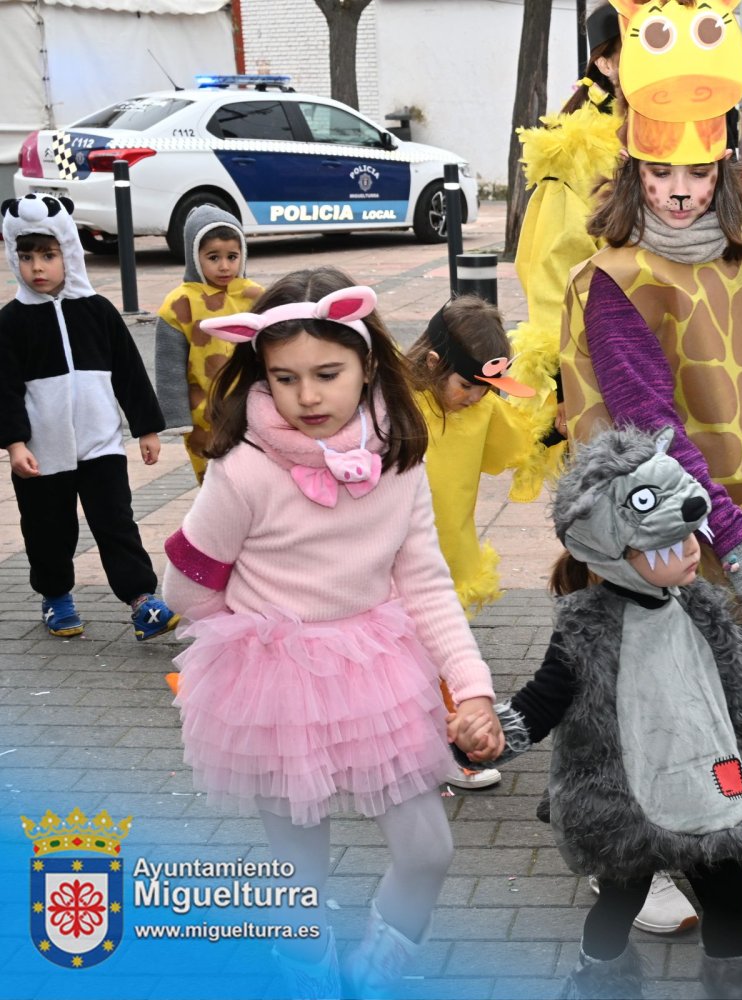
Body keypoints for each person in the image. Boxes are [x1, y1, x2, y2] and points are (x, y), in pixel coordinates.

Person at [162, 269, 502, 997]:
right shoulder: (243, 469)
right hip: (274, 680)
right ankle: (308, 979)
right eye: (284, 378)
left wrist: (473, 689)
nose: (307, 396)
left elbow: (426, 584)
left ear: (367, 364)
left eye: (327, 374)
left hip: (376, 670)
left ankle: (376, 974)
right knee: (297, 872)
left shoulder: (400, 458)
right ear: (261, 372)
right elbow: (184, 588)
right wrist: (241, 644)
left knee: (427, 848)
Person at [451, 426, 742, 1000]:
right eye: (669, 545)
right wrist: (493, 737)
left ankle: (732, 986)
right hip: (625, 797)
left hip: (709, 779)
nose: (692, 550)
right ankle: (600, 981)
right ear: (611, 554)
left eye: (691, 538)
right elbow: (542, 701)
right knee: (620, 898)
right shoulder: (585, 627)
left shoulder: (700, 604)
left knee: (727, 892)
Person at [559, 0, 742, 609]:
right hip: (671, 546)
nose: (680, 192)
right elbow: (648, 429)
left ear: (722, 170)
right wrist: (733, 537)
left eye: (697, 173)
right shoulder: (618, 282)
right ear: (634, 171)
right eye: (661, 172)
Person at [0, 194, 177, 641]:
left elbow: (129, 372)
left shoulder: (97, 311)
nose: (37, 267)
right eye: (26, 257)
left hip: (102, 445)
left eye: (48, 255)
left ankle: (141, 600)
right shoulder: (11, 322)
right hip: (42, 453)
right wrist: (15, 443)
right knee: (48, 530)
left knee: (116, 524)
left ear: (68, 253)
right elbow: (4, 389)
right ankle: (56, 597)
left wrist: (146, 428)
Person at [406, 294, 541, 792]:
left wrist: (553, 430)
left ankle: (441, 750)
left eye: (488, 389)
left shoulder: (481, 410)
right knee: (406, 661)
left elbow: (514, 445)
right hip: (391, 555)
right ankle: (417, 749)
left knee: (441, 657)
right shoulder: (395, 401)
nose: (476, 398)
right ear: (432, 363)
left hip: (448, 552)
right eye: (467, 386)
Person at [503, 0, 623, 500]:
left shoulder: (680, 136)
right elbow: (554, 272)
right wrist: (564, 383)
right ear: (605, 61)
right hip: (608, 360)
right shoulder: (577, 151)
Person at [153, 204, 263, 482]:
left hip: (252, 406)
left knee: (256, 475)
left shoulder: (256, 297)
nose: (224, 266)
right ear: (194, 256)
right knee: (213, 477)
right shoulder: (179, 303)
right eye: (213, 257)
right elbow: (169, 366)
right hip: (202, 412)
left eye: (232, 256)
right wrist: (175, 416)